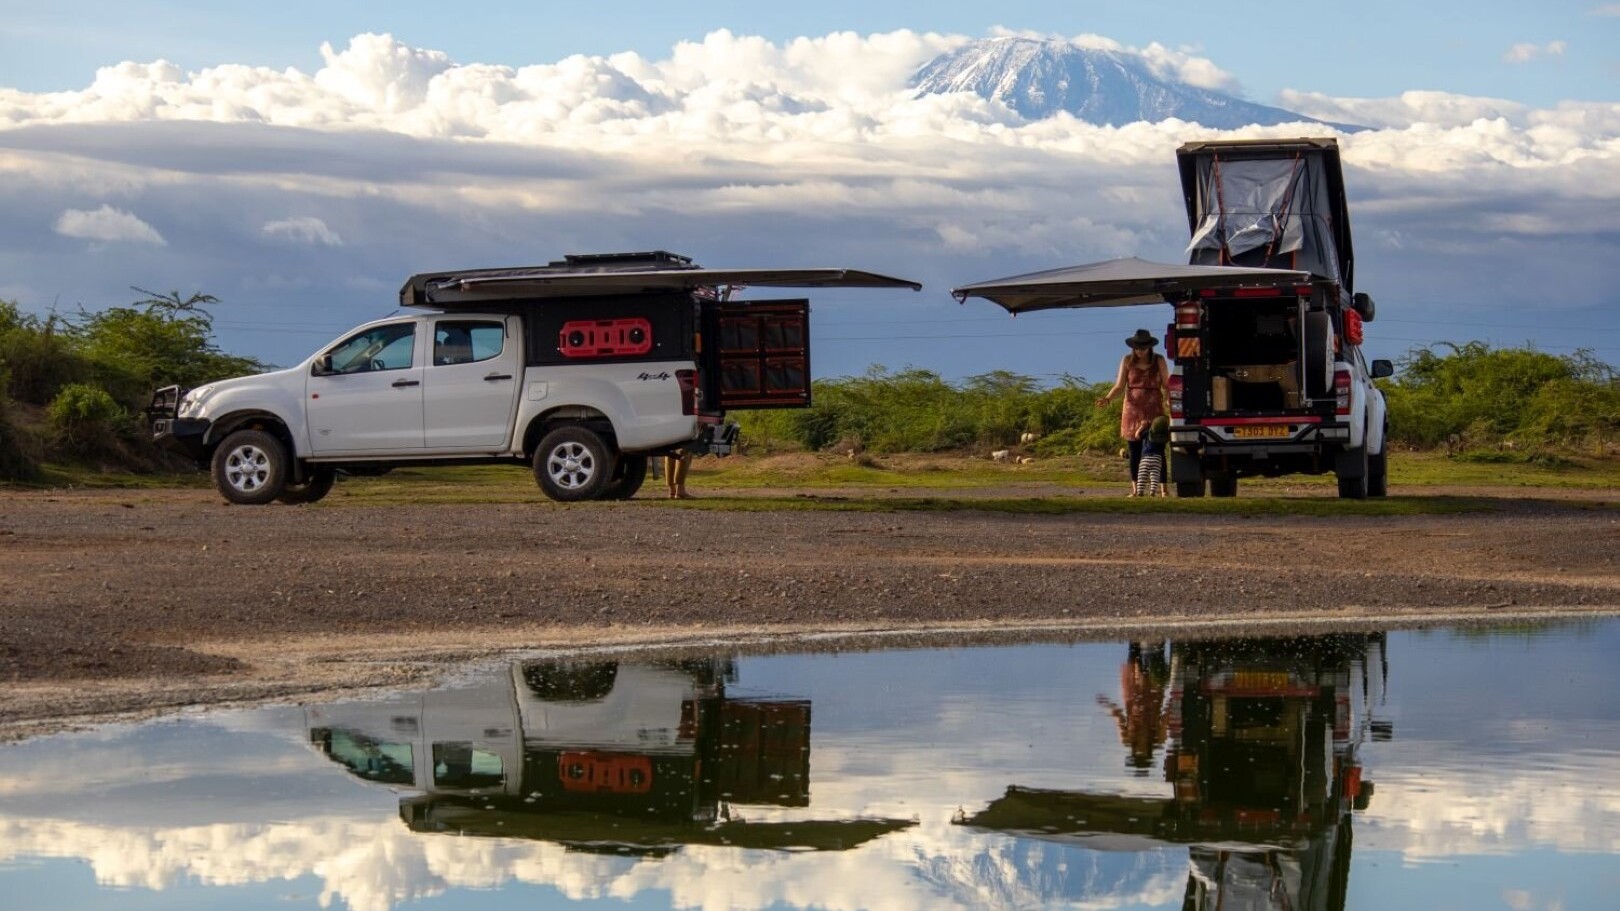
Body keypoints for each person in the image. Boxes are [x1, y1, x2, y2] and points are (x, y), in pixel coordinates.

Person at [1096, 329, 1169, 492]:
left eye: (1143, 347)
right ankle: (1136, 489)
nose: (1140, 350)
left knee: (1157, 448)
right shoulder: (1127, 360)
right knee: (1134, 450)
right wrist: (1107, 398)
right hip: (1132, 408)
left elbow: (1167, 384)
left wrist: (1168, 399)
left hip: (1154, 406)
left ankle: (1163, 489)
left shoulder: (1159, 360)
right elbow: (1119, 385)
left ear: (1149, 347)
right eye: (1137, 347)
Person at [1133, 415, 1170, 497]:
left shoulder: (1147, 432)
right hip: (1157, 458)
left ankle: (1140, 491)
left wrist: (1141, 427)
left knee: (1142, 475)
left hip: (1145, 457)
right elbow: (1168, 438)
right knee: (1155, 476)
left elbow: (1137, 436)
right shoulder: (1164, 437)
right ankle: (1152, 491)